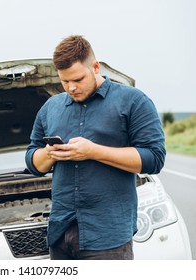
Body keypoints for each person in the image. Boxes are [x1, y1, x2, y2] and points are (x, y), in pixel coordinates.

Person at [25, 35, 166, 260]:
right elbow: (33, 162)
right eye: (64, 81)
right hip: (60, 234)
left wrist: (93, 151)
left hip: (108, 236)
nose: (71, 87)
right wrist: (49, 153)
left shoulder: (134, 101)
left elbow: (155, 159)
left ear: (96, 67)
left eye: (78, 79)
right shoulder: (50, 107)